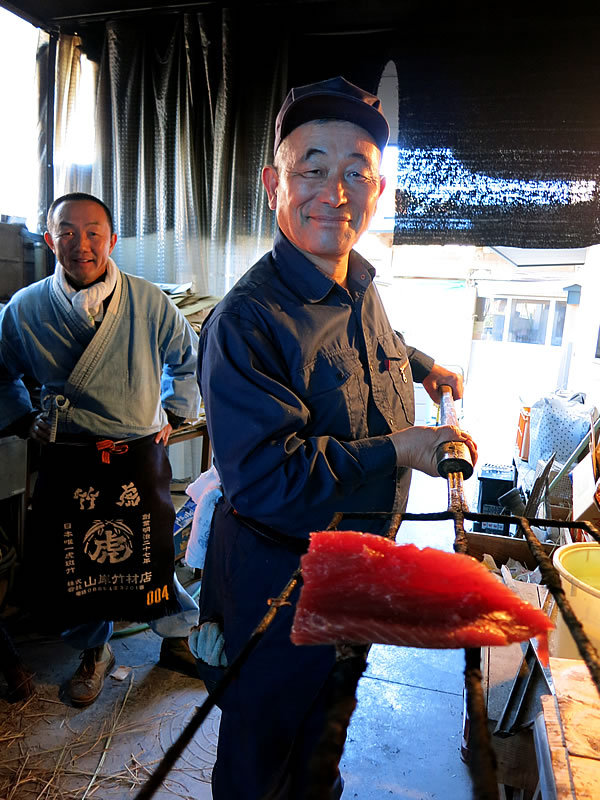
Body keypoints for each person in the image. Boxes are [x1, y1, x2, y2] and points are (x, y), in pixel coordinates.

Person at [194, 77, 478, 799]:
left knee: (325, 738)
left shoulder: (360, 284)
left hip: (357, 568)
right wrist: (402, 449)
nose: (335, 190)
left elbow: (368, 347)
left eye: (356, 171)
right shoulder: (246, 322)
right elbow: (267, 479)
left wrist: (420, 364)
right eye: (311, 168)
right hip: (279, 581)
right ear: (272, 184)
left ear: (377, 189)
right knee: (264, 755)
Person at [0, 192, 202, 707]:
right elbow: (1, 375)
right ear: (49, 240)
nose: (81, 244)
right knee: (79, 568)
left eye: (93, 232)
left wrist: (176, 413)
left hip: (137, 453)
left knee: (150, 556)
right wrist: (25, 418)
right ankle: (95, 653)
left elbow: (188, 359)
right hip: (69, 457)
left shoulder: (149, 300)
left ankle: (177, 638)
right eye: (66, 231)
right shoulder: (24, 309)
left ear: (112, 239)